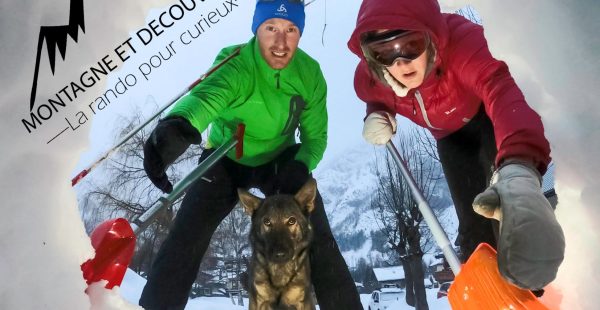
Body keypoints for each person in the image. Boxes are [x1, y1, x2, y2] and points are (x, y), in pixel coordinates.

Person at [139, 1, 362, 309]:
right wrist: (177, 125)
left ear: (300, 33)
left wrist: (302, 164)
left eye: (291, 30)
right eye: (271, 28)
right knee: (186, 238)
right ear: (257, 29)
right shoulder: (236, 63)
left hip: (280, 163)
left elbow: (316, 137)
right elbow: (205, 98)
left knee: (318, 238)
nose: (281, 43)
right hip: (225, 157)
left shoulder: (309, 74)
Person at [347, 0, 565, 292]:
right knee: (473, 223)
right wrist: (378, 111)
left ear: (431, 35)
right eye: (383, 51)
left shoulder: (464, 43)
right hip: (449, 137)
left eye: (410, 44)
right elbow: (374, 94)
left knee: (504, 205)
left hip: (488, 116)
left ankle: (531, 288)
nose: (399, 63)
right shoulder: (372, 78)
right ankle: (489, 295)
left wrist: (519, 166)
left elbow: (502, 90)